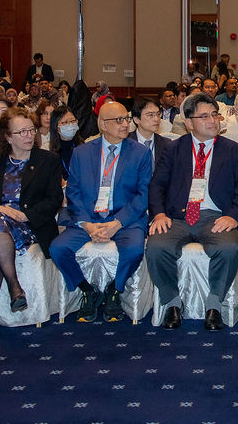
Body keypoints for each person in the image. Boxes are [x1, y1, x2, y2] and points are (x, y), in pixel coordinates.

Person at [146, 94, 238, 331]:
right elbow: (157, 185)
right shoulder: (173, 149)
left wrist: (233, 216)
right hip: (178, 216)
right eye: (204, 116)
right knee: (156, 247)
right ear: (189, 123)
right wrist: (159, 214)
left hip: (216, 216)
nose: (212, 121)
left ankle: (214, 305)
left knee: (228, 248)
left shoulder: (233, 150)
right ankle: (172, 302)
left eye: (214, 115)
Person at [49, 101, 152, 323]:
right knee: (58, 249)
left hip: (124, 218)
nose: (125, 124)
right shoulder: (82, 153)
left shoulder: (141, 153)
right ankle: (87, 289)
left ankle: (115, 289)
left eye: (127, 119)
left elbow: (142, 195)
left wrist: (117, 223)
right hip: (89, 217)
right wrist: (87, 224)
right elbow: (73, 192)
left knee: (134, 250)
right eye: (119, 120)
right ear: (103, 124)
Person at [0, 107, 64, 346]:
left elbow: (54, 200)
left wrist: (24, 215)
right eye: (21, 132)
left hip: (30, 225)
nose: (29, 135)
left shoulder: (48, 160)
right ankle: (14, 288)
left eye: (31, 130)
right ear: (7, 137)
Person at [130, 96, 172, 172]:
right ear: (136, 119)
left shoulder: (166, 144)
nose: (156, 119)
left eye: (158, 114)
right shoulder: (125, 143)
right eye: (150, 115)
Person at [47, 104, 83, 181]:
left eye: (73, 121)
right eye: (64, 122)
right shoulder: (49, 152)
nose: (70, 125)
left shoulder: (84, 147)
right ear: (56, 126)